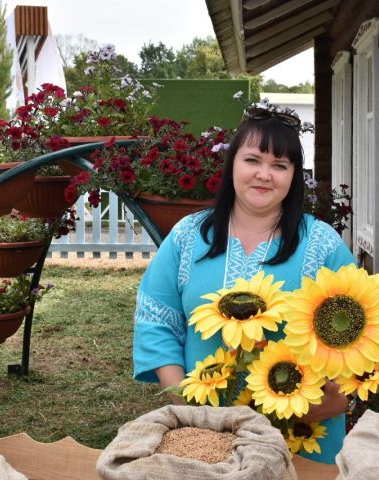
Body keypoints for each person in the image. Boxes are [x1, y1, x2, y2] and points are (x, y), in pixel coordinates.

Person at [132, 104, 356, 464]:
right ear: (232, 163)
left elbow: (360, 336)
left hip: (303, 435)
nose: (264, 175)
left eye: (279, 165)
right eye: (253, 160)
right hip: (206, 437)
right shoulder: (189, 237)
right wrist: (189, 409)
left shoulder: (323, 245)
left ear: (294, 175)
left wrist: (336, 398)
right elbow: (156, 319)